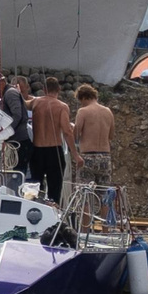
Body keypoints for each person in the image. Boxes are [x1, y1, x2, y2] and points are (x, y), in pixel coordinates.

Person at [72, 84, 118, 223]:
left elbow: (76, 135)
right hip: (105, 156)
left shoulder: (83, 111)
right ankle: (105, 229)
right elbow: (111, 135)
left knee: (84, 194)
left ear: (84, 97)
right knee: (104, 195)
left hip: (87, 156)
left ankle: (84, 230)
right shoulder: (108, 112)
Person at [27, 76, 72, 201]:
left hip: (37, 151)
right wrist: (75, 154)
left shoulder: (35, 103)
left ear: (43, 89)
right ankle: (54, 211)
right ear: (59, 88)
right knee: (55, 188)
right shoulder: (62, 106)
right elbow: (67, 131)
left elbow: (24, 102)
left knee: (35, 188)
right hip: (54, 151)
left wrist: (20, 92)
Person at [0, 71, 33, 172]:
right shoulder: (9, 93)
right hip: (16, 142)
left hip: (19, 142)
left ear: (1, 83)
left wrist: (6, 132)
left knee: (17, 174)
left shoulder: (10, 93)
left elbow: (17, 115)